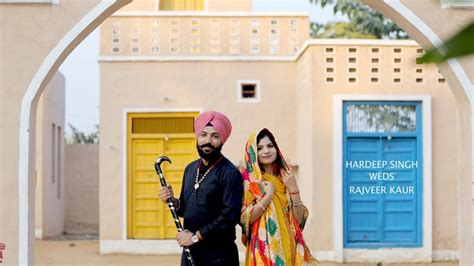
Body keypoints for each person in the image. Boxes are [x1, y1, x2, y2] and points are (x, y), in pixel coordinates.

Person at [159, 111, 243, 266]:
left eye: (215, 136)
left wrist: (196, 237)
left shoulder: (230, 173)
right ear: (197, 136)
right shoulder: (190, 169)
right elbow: (184, 208)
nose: (208, 141)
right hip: (191, 254)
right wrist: (172, 201)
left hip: (220, 257)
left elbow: (229, 217)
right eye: (203, 135)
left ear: (222, 140)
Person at [240, 128, 317, 265]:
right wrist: (268, 195)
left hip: (289, 246)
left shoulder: (285, 179)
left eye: (270, 146)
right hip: (264, 252)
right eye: (260, 148)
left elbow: (297, 221)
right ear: (253, 153)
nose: (266, 151)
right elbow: (245, 218)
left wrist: (294, 189)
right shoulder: (250, 183)